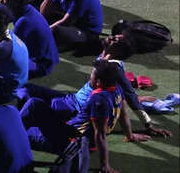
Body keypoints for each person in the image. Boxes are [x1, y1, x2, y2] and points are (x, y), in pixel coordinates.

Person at [18, 34, 172, 144]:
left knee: (31, 103)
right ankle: (23, 119)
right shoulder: (104, 56)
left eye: (115, 40)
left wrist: (147, 125)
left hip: (74, 107)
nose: (111, 37)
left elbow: (129, 97)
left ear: (120, 51)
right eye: (114, 36)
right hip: (72, 98)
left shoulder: (114, 68)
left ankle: (16, 128)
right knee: (25, 89)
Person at [21, 61, 130, 173]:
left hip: (69, 141)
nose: (89, 78)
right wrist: (130, 135)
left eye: (91, 76)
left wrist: (104, 165)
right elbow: (123, 114)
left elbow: (100, 134)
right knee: (33, 106)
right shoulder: (117, 89)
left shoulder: (98, 100)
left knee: (33, 107)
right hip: (72, 132)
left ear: (98, 82)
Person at [1, 0, 59, 78]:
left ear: (16, 1)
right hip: (48, 59)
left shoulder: (23, 22)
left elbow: (10, 49)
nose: (1, 2)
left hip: (41, 66)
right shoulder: (27, 9)